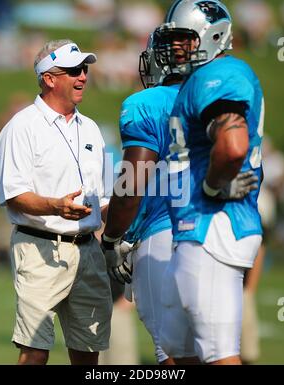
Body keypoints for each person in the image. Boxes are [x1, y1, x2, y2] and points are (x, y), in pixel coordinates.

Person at [100, 28, 257, 365]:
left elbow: (132, 182)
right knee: (215, 349)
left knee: (173, 357)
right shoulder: (215, 94)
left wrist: (112, 239)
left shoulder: (147, 102)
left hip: (164, 231)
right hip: (222, 229)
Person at [153, 0, 263, 365]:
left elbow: (233, 146)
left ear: (214, 35)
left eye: (185, 38)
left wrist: (213, 187)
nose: (176, 48)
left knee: (219, 356)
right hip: (195, 229)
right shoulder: (200, 79)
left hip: (212, 228)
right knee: (179, 354)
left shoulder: (218, 74)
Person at [0, 39, 112, 365]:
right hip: (39, 249)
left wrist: (129, 207)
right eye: (74, 70)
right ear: (48, 78)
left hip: (88, 250)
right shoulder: (21, 127)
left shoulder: (91, 129)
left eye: (85, 69)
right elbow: (14, 196)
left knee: (89, 355)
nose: (83, 76)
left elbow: (102, 200)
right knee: (34, 353)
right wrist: (55, 206)